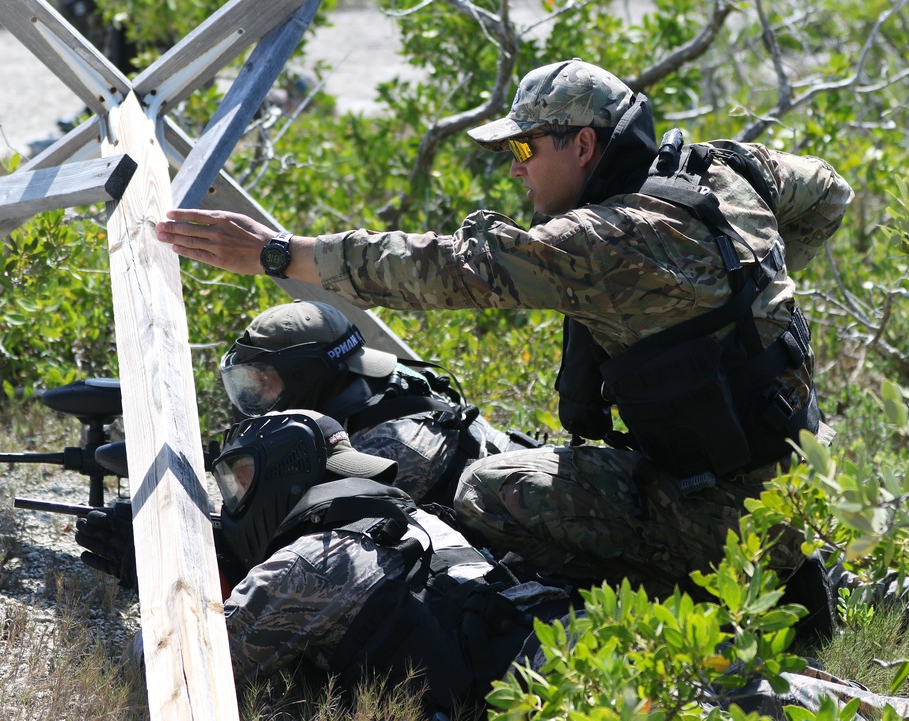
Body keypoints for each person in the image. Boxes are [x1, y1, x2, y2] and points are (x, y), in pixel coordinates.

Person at [153, 59, 854, 605]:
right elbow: (829, 191)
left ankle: (693, 606)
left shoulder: (609, 242)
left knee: (485, 489)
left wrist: (279, 254)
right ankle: (777, 571)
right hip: (799, 491)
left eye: (525, 145)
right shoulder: (724, 173)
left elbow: (448, 269)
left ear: (584, 144)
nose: (516, 164)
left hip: (727, 518)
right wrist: (743, 292)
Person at [78, 409, 572, 716]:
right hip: (568, 654)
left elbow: (170, 675)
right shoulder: (413, 520)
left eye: (241, 480)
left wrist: (159, 579)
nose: (232, 500)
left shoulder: (312, 561)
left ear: (285, 479)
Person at [218, 298, 538, 506]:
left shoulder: (387, 447)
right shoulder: (375, 385)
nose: (255, 394)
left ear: (304, 373)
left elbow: (283, 523)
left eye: (263, 379)